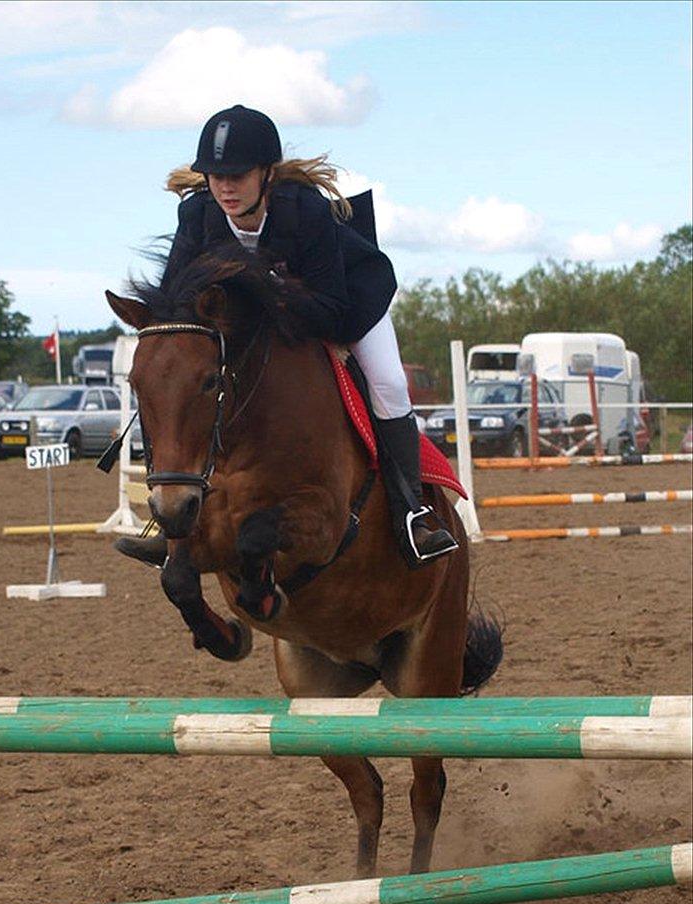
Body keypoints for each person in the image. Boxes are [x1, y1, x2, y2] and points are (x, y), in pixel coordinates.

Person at [118, 104, 456, 569]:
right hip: (271, 319)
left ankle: (412, 513)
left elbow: (331, 309)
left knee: (390, 385)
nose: (225, 187)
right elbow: (179, 302)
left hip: (349, 305)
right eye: (216, 176)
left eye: (237, 175)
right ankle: (175, 525)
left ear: (266, 174)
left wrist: (265, 290)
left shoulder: (306, 211)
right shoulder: (198, 215)